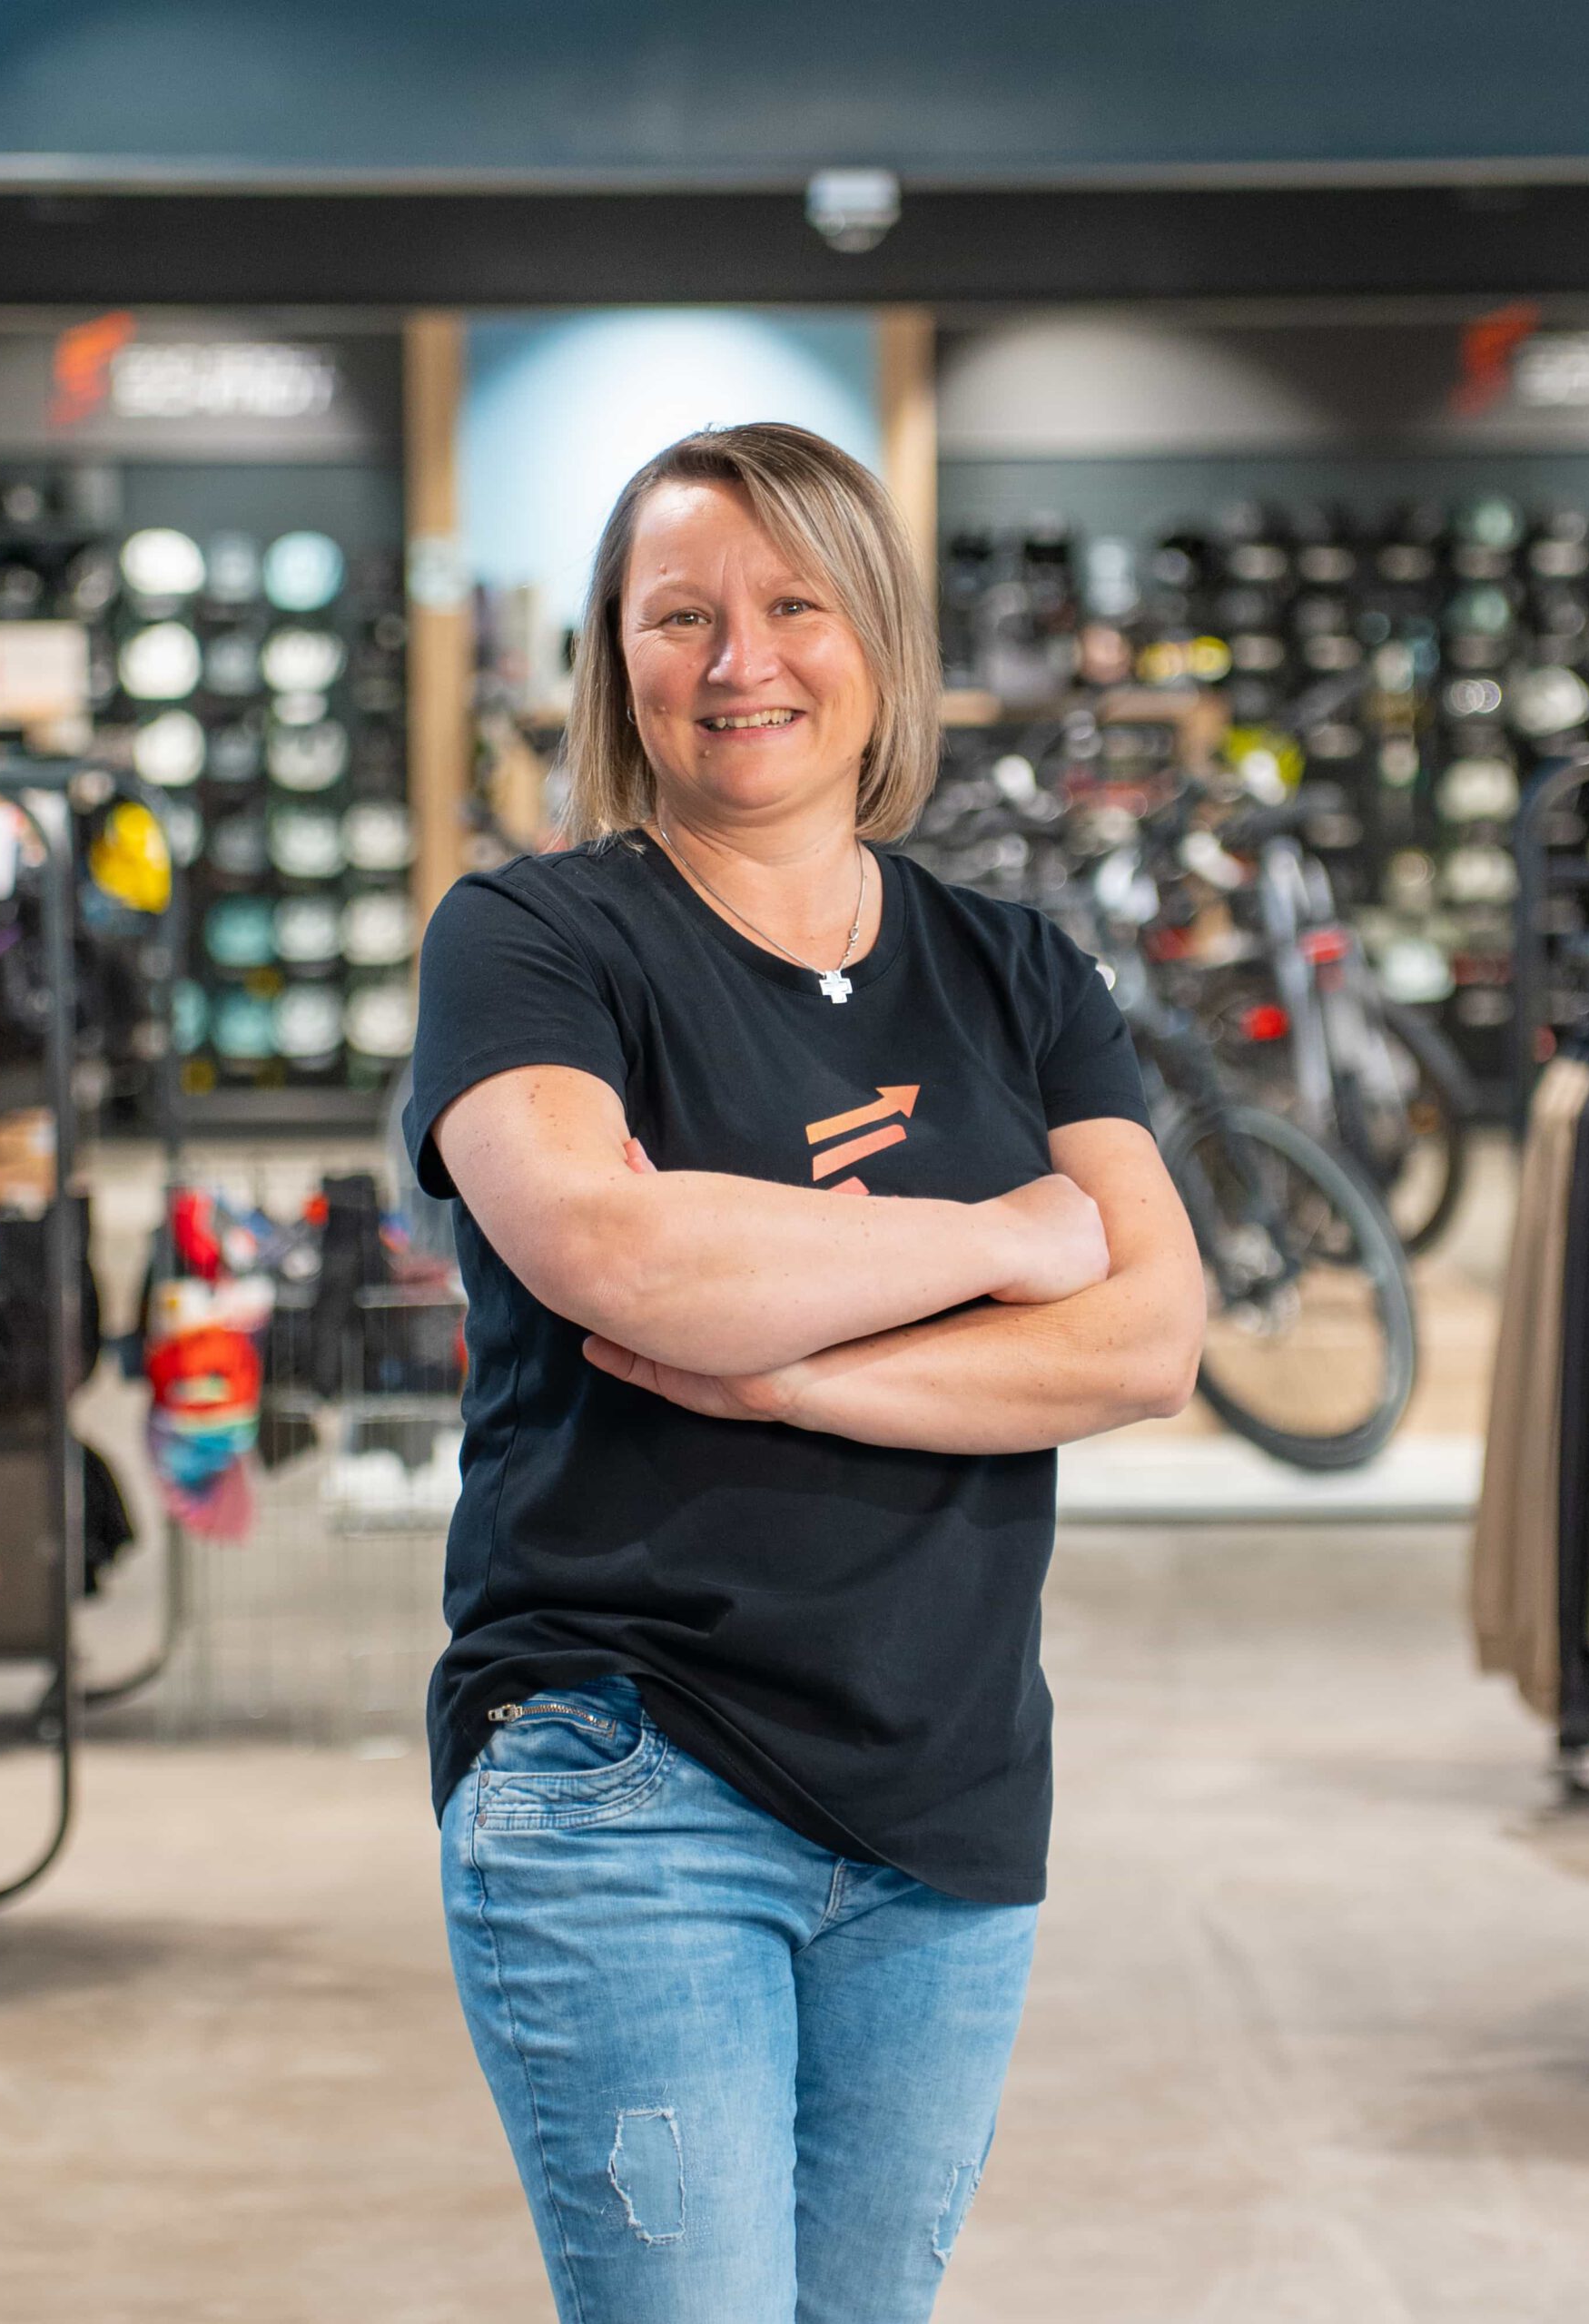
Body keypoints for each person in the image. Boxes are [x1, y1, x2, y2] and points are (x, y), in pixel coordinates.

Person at [404, 420, 1202, 2323]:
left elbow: (1148, 1336)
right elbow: (612, 1250)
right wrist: (1007, 1239)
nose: (737, 659)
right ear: (615, 662)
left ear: (878, 640)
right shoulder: (531, 938)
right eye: (676, 616)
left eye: (789, 606)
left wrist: (786, 1372)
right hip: (628, 1772)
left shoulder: (1013, 970)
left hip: (946, 1786)